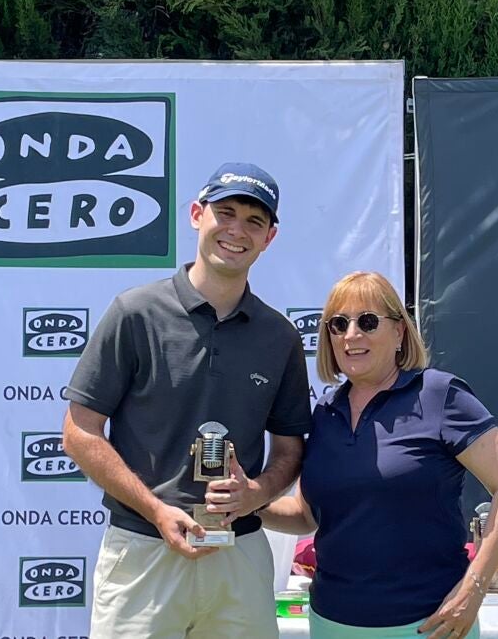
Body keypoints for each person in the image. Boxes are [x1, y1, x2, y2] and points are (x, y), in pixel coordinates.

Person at [62, 162, 312, 639]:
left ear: (269, 238)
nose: (237, 230)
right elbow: (79, 432)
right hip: (144, 549)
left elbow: (289, 450)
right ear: (198, 215)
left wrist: (256, 493)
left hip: (239, 555)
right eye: (225, 213)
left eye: (254, 221)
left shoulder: (279, 336)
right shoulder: (135, 313)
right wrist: (156, 510)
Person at [261, 271, 498, 639]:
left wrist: (474, 588)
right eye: (339, 324)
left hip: (429, 626)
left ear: (400, 331)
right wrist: (248, 502)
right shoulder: (325, 413)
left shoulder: (438, 395)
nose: (351, 334)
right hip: (331, 624)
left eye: (367, 321)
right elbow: (307, 516)